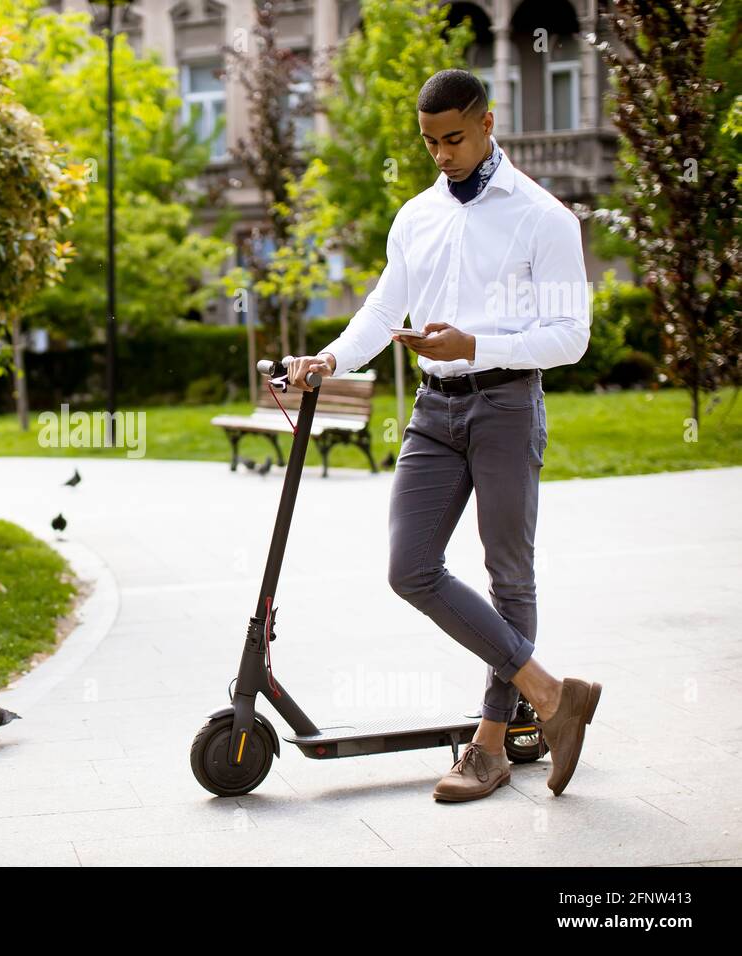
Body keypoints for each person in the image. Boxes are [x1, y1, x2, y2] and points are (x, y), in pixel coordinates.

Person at [285, 69, 602, 802]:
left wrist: (475, 346)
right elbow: (381, 307)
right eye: (429, 142)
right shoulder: (416, 216)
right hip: (433, 412)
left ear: (488, 123)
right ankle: (552, 696)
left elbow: (571, 337)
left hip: (506, 405)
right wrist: (330, 360)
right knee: (410, 568)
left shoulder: (545, 217)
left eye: (453, 138)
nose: (441, 155)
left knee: (508, 575)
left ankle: (489, 747)